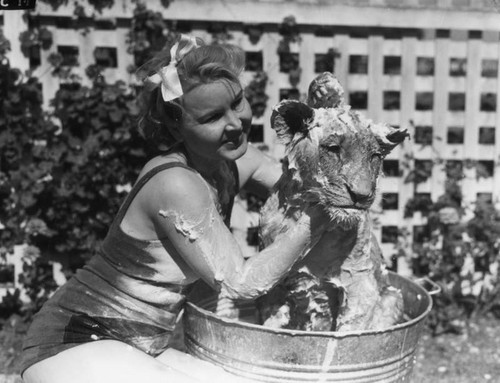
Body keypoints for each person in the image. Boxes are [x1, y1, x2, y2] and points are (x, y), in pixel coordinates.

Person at [20, 34, 330, 383]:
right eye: (213, 117)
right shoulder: (176, 184)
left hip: (136, 347)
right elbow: (242, 282)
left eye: (237, 102)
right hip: (73, 344)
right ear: (175, 126)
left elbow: (303, 186)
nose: (235, 123)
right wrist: (317, 218)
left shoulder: (233, 163)